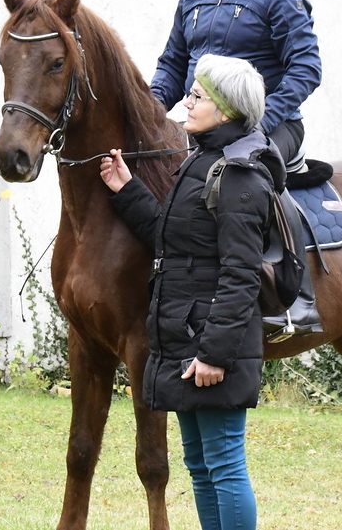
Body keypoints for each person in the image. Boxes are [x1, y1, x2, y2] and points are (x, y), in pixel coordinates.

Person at [101, 54, 278, 530]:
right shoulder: (201, 162)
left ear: (225, 109)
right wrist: (127, 188)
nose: (187, 102)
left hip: (213, 347)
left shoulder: (239, 175)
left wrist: (215, 355)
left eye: (198, 96)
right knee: (200, 464)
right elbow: (172, 242)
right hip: (186, 340)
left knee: (224, 463)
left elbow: (241, 275)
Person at [150, 0, 322, 336]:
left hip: (271, 125)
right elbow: (172, 66)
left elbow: (306, 69)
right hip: (204, 128)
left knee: (251, 173)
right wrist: (150, 112)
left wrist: (258, 122)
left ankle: (298, 301)